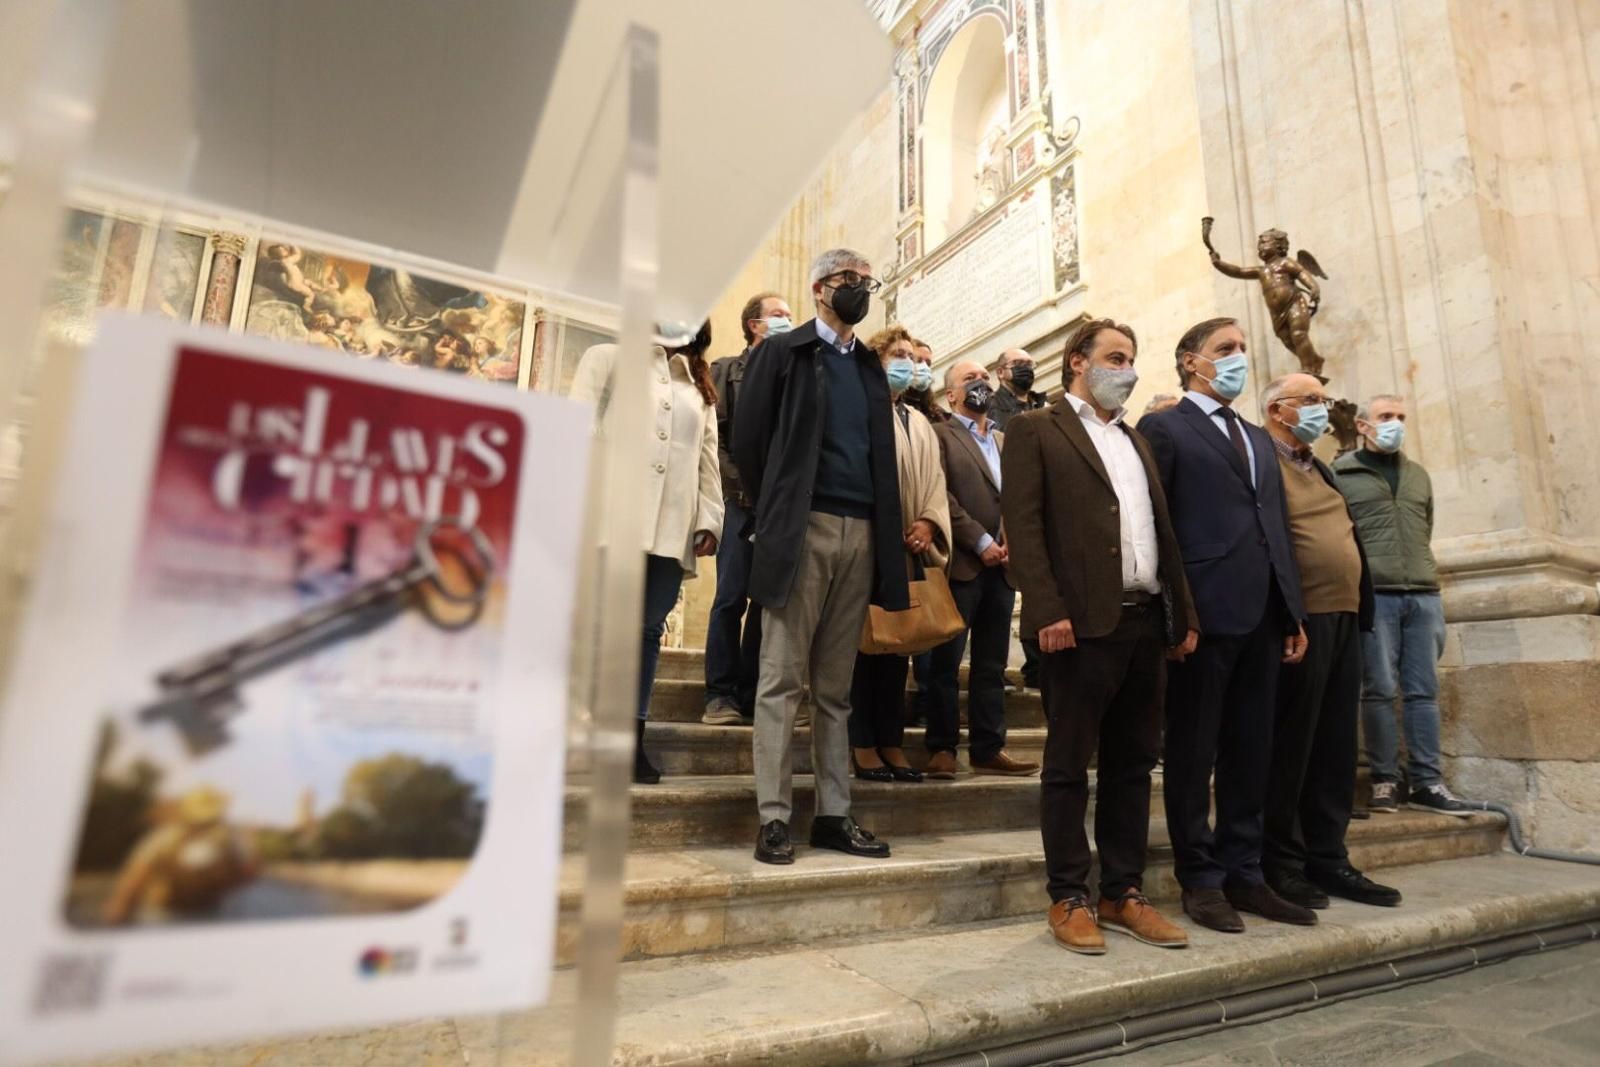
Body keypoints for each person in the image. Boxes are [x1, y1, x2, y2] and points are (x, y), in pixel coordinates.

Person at [1003, 318, 1198, 956]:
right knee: (1067, 765)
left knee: (1133, 764)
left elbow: (1161, 532)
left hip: (1143, 620)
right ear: (1077, 362)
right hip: (1079, 624)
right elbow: (1024, 526)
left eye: (1134, 359)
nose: (1130, 369)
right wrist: (1046, 610)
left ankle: (1122, 891)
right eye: (1117, 357)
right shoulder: (1037, 428)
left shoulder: (1136, 441)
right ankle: (1069, 895)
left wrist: (1183, 615)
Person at [733, 248, 909, 865]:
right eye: (847, 281)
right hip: (802, 527)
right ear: (818, 289)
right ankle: (774, 817)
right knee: (782, 679)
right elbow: (749, 441)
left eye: (867, 281)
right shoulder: (782, 353)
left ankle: (834, 814)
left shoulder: (867, 365)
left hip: (861, 531)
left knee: (836, 687)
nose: (859, 289)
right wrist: (779, 509)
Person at [1139, 317, 1313, 933]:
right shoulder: (1164, 428)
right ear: (1191, 361)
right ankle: (1201, 877)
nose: (1239, 358)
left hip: (1264, 614)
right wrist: (1175, 614)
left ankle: (1245, 871)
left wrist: (1291, 610)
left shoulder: (1256, 437)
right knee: (1193, 750)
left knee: (1250, 748)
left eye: (1242, 349)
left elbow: (1277, 531)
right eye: (1225, 349)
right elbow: (1155, 528)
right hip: (1204, 618)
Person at [1259, 374, 1403, 910]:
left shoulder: (1317, 465)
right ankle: (1282, 861)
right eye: (1312, 401)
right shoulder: (1260, 461)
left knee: (1337, 744)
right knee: (1293, 744)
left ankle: (1329, 856)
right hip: (1302, 619)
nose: (1323, 409)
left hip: (1345, 616)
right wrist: (1285, 612)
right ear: (1279, 409)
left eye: (1322, 399)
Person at [571, 322, 723, 784]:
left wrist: (709, 519)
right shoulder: (607, 358)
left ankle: (629, 740)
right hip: (612, 517)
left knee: (646, 631)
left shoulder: (699, 387)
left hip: (671, 525)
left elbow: (708, 458)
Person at [1335, 395, 1475, 817]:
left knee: (1423, 691)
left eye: (1400, 417)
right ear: (1363, 426)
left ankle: (1428, 781)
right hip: (1375, 592)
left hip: (1423, 592)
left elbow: (1425, 526)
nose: (1394, 424)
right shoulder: (1341, 473)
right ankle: (1384, 779)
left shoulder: (1418, 475)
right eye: (1385, 417)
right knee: (1376, 689)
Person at [925, 362, 1041, 780]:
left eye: (984, 379)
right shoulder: (941, 435)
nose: (980, 384)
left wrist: (1011, 543)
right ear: (951, 395)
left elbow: (1019, 496)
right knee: (945, 662)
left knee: (991, 665)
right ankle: (940, 747)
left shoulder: (1006, 439)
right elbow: (941, 494)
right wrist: (982, 542)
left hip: (1003, 568)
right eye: (969, 379)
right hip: (964, 564)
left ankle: (988, 747)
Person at [848, 326, 952, 783]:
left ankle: (891, 739)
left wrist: (929, 523)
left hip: (912, 544)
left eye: (913, 355)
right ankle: (862, 741)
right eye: (899, 354)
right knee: (864, 646)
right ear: (877, 359)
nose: (909, 362)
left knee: (899, 648)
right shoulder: (860, 409)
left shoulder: (920, 420)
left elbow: (935, 481)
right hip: (870, 542)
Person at [702, 291, 793, 726]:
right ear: (754, 324)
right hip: (739, 501)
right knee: (730, 597)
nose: (788, 321)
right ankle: (720, 695)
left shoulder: (793, 376)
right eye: (778, 315)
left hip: (779, 508)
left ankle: (754, 693)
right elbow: (714, 438)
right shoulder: (725, 370)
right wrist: (742, 486)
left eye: (790, 316)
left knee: (767, 603)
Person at [102, 786, 259, 925]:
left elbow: (136, 877)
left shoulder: (165, 837)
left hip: (171, 914)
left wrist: (119, 909)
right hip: (196, 913)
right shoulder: (228, 842)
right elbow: (248, 876)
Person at [902, 337, 943, 729]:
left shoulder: (934, 419)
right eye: (911, 360)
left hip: (928, 534)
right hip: (894, 533)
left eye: (925, 362)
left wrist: (931, 521)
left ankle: (929, 701)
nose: (919, 368)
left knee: (928, 625)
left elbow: (939, 479)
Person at [989, 348, 1046, 431]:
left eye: (1029, 364)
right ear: (1000, 372)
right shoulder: (989, 406)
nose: (1025, 368)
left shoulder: (1042, 404)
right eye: (1017, 363)